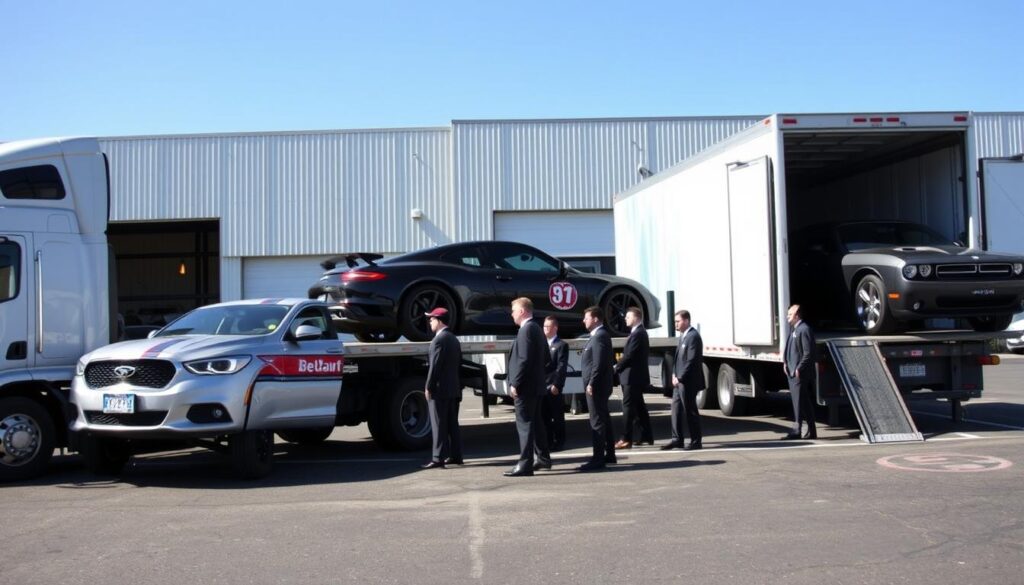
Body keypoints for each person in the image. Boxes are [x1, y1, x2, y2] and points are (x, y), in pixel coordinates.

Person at [504, 297, 552, 477]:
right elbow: (546, 358)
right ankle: (543, 458)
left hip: (526, 387)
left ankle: (525, 463)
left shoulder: (526, 330)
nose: (512, 314)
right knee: (537, 423)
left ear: (522, 311)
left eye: (514, 310)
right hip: (536, 385)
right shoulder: (537, 329)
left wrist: (516, 382)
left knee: (524, 424)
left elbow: (523, 359)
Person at [421, 307, 464, 469]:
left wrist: (428, 386)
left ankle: (438, 457)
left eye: (431, 319)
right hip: (453, 388)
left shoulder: (438, 340)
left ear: (439, 320)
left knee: (438, 423)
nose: (430, 322)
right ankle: (456, 455)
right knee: (452, 423)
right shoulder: (453, 339)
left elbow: (435, 366)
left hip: (440, 389)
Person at [579, 306, 616, 471]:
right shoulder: (597, 336)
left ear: (595, 319)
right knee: (604, 419)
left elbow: (599, 362)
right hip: (598, 385)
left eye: (586, 317)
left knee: (597, 422)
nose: (584, 320)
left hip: (597, 386)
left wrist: (592, 382)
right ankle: (609, 454)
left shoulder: (599, 336)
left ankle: (598, 458)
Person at [662, 309, 704, 451]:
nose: (676, 324)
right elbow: (677, 359)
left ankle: (696, 441)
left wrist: (680, 377)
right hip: (678, 381)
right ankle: (677, 439)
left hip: (688, 381)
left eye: (678, 321)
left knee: (690, 410)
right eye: (675, 322)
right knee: (676, 409)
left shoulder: (693, 337)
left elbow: (691, 361)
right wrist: (674, 374)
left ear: (686, 321)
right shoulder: (683, 336)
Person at [614, 306, 654, 449]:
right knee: (639, 407)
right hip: (631, 377)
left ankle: (626, 439)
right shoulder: (637, 333)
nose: (625, 318)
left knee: (628, 408)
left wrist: (616, 367)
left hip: (632, 377)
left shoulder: (639, 333)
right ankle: (647, 435)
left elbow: (629, 355)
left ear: (636, 317)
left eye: (628, 316)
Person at [783, 304, 817, 440]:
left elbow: (808, 353)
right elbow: (791, 349)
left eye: (790, 315)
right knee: (803, 402)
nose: (787, 317)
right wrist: (785, 362)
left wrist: (799, 368)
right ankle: (812, 431)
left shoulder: (804, 329)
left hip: (799, 373)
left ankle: (797, 430)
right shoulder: (795, 329)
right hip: (792, 371)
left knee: (798, 403)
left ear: (797, 315)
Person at [542, 316, 568, 451]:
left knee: (557, 416)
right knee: (545, 416)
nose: (545, 329)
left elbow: (561, 367)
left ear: (555, 328)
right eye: (544, 326)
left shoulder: (561, 345)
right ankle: (548, 441)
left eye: (548, 326)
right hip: (542, 386)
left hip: (553, 387)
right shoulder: (542, 344)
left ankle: (560, 441)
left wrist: (557, 384)